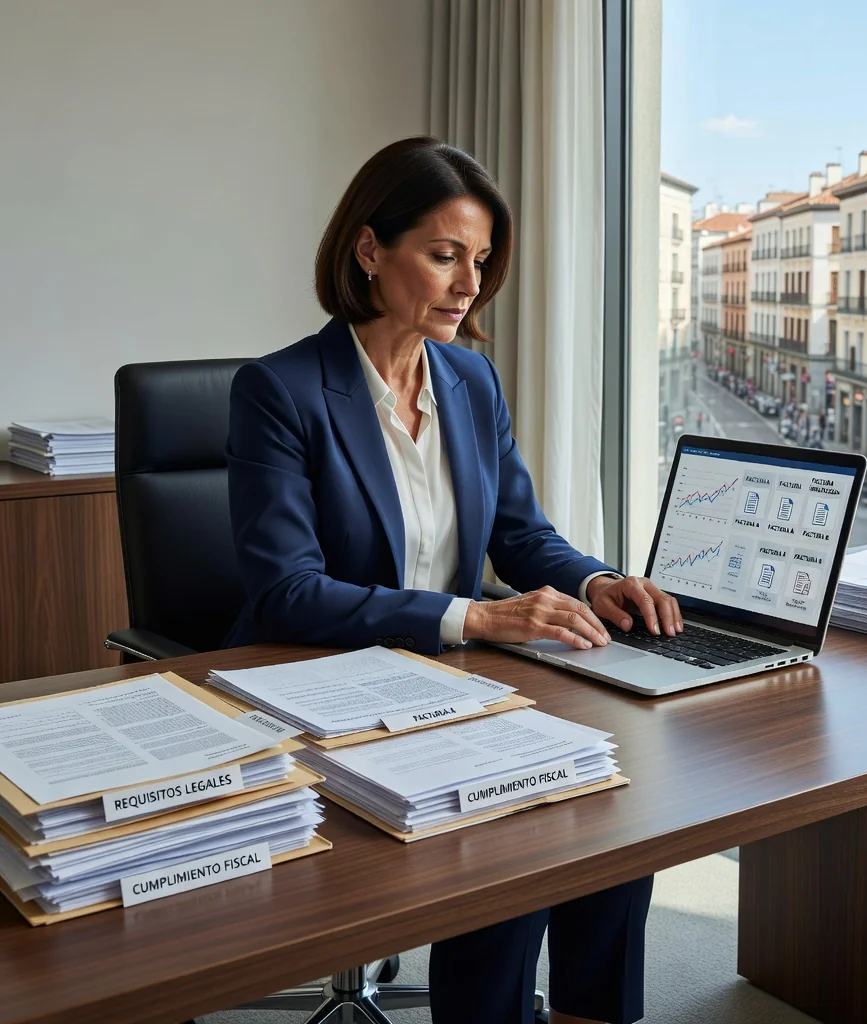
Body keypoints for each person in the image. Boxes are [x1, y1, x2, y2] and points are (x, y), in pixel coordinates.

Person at [225, 137, 679, 1024]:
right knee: (512, 848)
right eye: (442, 256)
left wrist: (596, 583)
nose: (469, 283)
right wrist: (475, 618)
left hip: (460, 685)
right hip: (329, 686)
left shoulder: (470, 378)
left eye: (479, 260)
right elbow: (286, 592)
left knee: (615, 821)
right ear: (368, 250)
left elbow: (520, 535)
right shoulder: (280, 390)